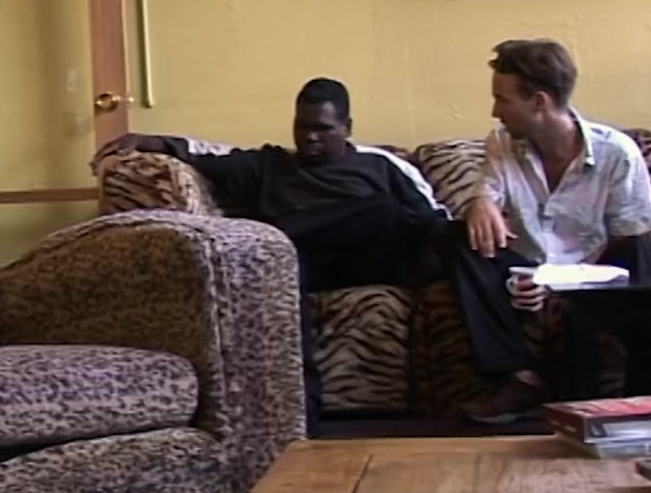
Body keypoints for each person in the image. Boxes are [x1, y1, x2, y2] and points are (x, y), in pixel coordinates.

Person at [90, 77, 449, 433]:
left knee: (381, 209)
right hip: (300, 264)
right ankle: (305, 423)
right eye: (303, 127)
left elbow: (430, 220)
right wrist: (148, 141)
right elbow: (204, 155)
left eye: (323, 129)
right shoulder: (269, 166)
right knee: (286, 270)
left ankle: (276, 232)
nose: (311, 137)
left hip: (369, 262)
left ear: (347, 128)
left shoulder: (380, 166)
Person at [434, 39, 651, 425]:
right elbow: (488, 193)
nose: (495, 112)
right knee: (456, 238)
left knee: (642, 250)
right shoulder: (502, 143)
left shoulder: (617, 153)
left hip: (596, 269)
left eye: (502, 100)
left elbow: (625, 240)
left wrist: (559, 281)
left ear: (539, 102)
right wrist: (480, 201)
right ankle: (521, 379)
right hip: (526, 266)